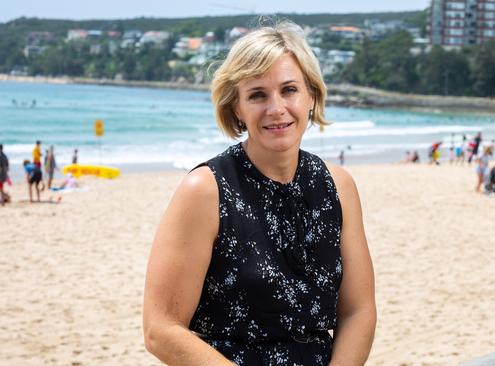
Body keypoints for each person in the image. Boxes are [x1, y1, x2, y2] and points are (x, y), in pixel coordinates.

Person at [143, 22, 376, 366]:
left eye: (289, 90)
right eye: (257, 95)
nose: (276, 108)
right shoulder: (205, 190)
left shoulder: (338, 187)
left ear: (311, 95)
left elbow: (359, 310)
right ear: (236, 106)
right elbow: (160, 328)